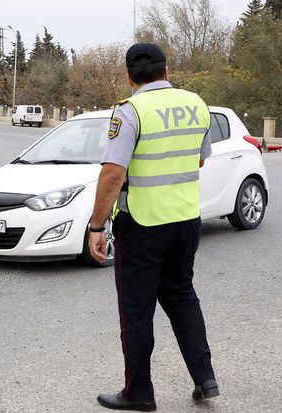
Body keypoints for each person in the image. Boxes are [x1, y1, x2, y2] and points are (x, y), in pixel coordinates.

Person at [89, 43, 218, 411]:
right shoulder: (196, 103)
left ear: (129, 77)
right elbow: (199, 159)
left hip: (143, 224)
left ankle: (139, 393)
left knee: (137, 310)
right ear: (167, 71)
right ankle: (205, 378)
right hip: (186, 221)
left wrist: (96, 226)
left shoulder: (129, 111)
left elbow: (113, 173)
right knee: (182, 297)